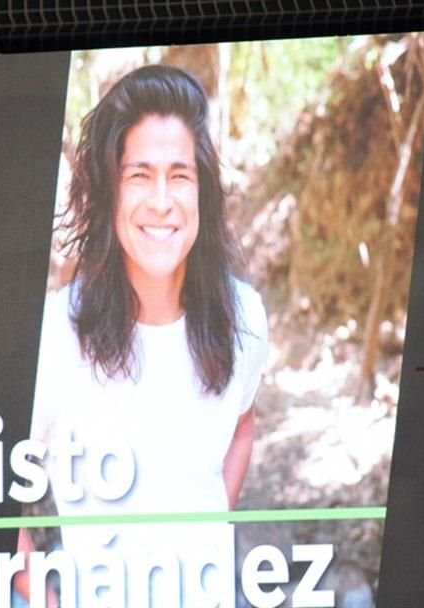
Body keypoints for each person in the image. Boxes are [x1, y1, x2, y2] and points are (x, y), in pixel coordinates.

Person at [16, 64, 268, 606]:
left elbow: (244, 422)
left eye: (179, 175)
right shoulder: (59, 334)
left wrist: (207, 518)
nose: (161, 201)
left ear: (203, 190)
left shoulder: (244, 317)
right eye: (139, 175)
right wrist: (43, 596)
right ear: (110, 194)